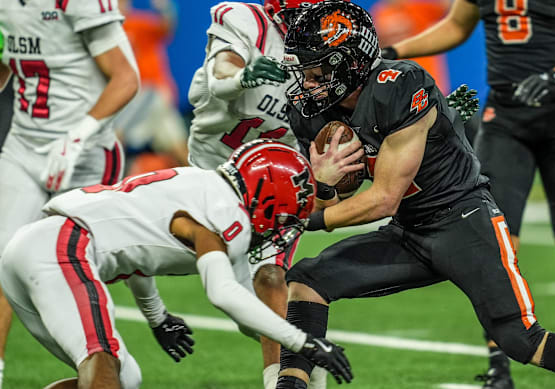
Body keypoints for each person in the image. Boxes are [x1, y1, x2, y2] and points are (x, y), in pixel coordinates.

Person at [274, 0, 555, 389]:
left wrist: (304, 219)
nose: (308, 82)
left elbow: (383, 199)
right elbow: (332, 206)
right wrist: (325, 184)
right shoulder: (314, 113)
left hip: (464, 223)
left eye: (316, 70)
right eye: (305, 71)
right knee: (306, 282)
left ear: (348, 62)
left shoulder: (398, 87)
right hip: (409, 232)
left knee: (522, 340)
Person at [381, 0, 555, 387]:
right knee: (496, 241)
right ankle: (498, 364)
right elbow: (457, 25)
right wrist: (395, 51)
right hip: (507, 120)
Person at [0, 139, 353, 388]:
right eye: (287, 214)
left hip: (35, 249)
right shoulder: (226, 215)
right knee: (101, 360)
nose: (283, 227)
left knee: (123, 378)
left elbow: (136, 254)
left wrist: (157, 317)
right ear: (269, 200)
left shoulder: (203, 186)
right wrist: (303, 343)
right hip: (63, 249)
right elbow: (224, 293)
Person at [185, 0, 349, 388]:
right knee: (248, 309)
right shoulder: (245, 22)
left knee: (272, 279)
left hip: (279, 187)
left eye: (327, 17)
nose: (318, 28)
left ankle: (283, 382)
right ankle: (309, 359)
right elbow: (221, 72)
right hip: (213, 179)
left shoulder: (333, 51)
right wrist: (243, 76)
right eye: (307, 15)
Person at [0, 0, 140, 385]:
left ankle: (111, 368)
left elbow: (126, 79)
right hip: (25, 142)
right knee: (1, 259)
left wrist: (79, 134)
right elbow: (12, 59)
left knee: (71, 270)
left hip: (85, 152)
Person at [114, 0, 190, 171]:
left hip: (150, 92)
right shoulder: (107, 30)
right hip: (138, 96)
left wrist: (166, 6)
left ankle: (107, 186)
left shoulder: (138, 22)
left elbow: (167, 26)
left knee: (115, 137)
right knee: (176, 145)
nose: (119, 2)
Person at [371, 0, 454, 94]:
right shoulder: (380, 12)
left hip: (426, 78)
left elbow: (449, 5)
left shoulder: (420, 6)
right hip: (398, 82)